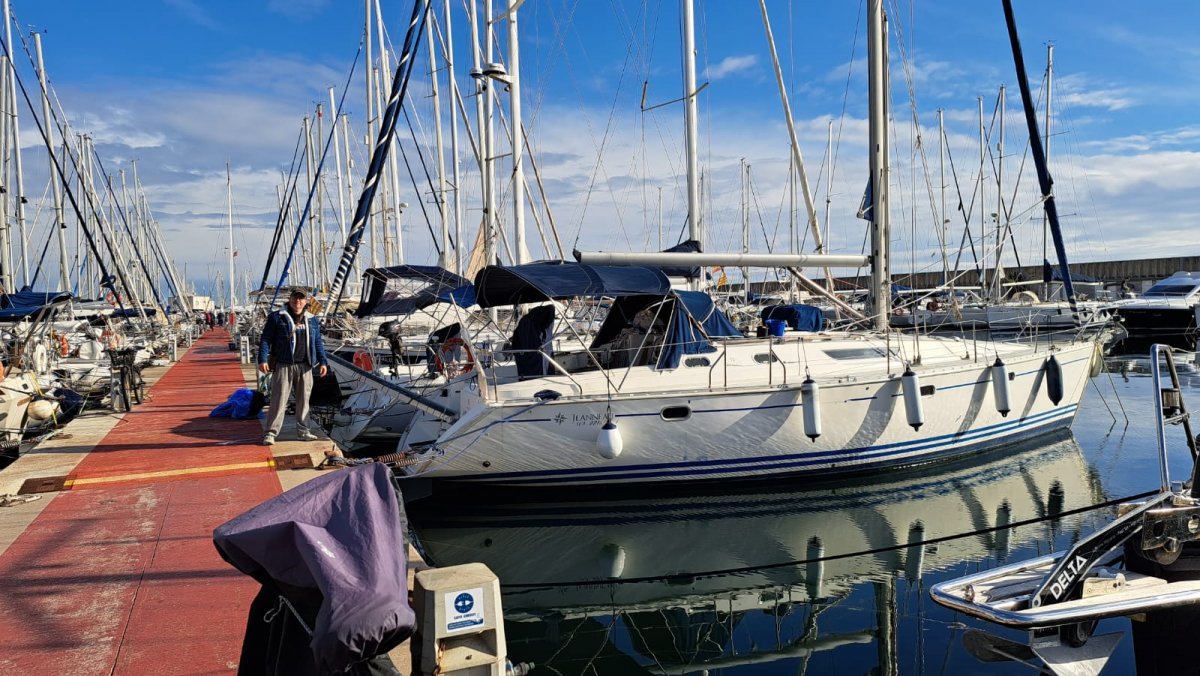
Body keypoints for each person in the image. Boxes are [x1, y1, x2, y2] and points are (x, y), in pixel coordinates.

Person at [258, 290, 329, 445]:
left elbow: (317, 342)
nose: (298, 301)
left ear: (306, 301)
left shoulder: (312, 319)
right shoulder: (277, 317)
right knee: (278, 400)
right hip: (284, 365)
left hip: (305, 365)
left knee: (304, 400)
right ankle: (270, 433)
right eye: (295, 298)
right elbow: (265, 339)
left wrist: (323, 362)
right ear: (289, 299)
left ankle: (303, 431)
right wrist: (262, 359)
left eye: (301, 298)